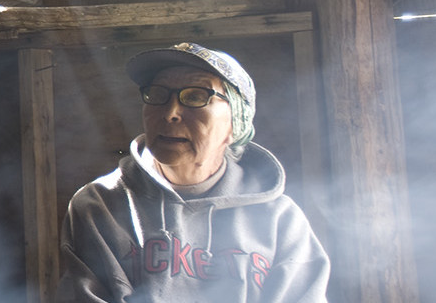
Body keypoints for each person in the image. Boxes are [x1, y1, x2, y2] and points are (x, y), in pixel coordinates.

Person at [56, 42, 330, 302]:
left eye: (196, 97)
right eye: (158, 94)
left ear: (237, 122)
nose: (170, 113)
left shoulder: (280, 219)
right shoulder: (99, 206)